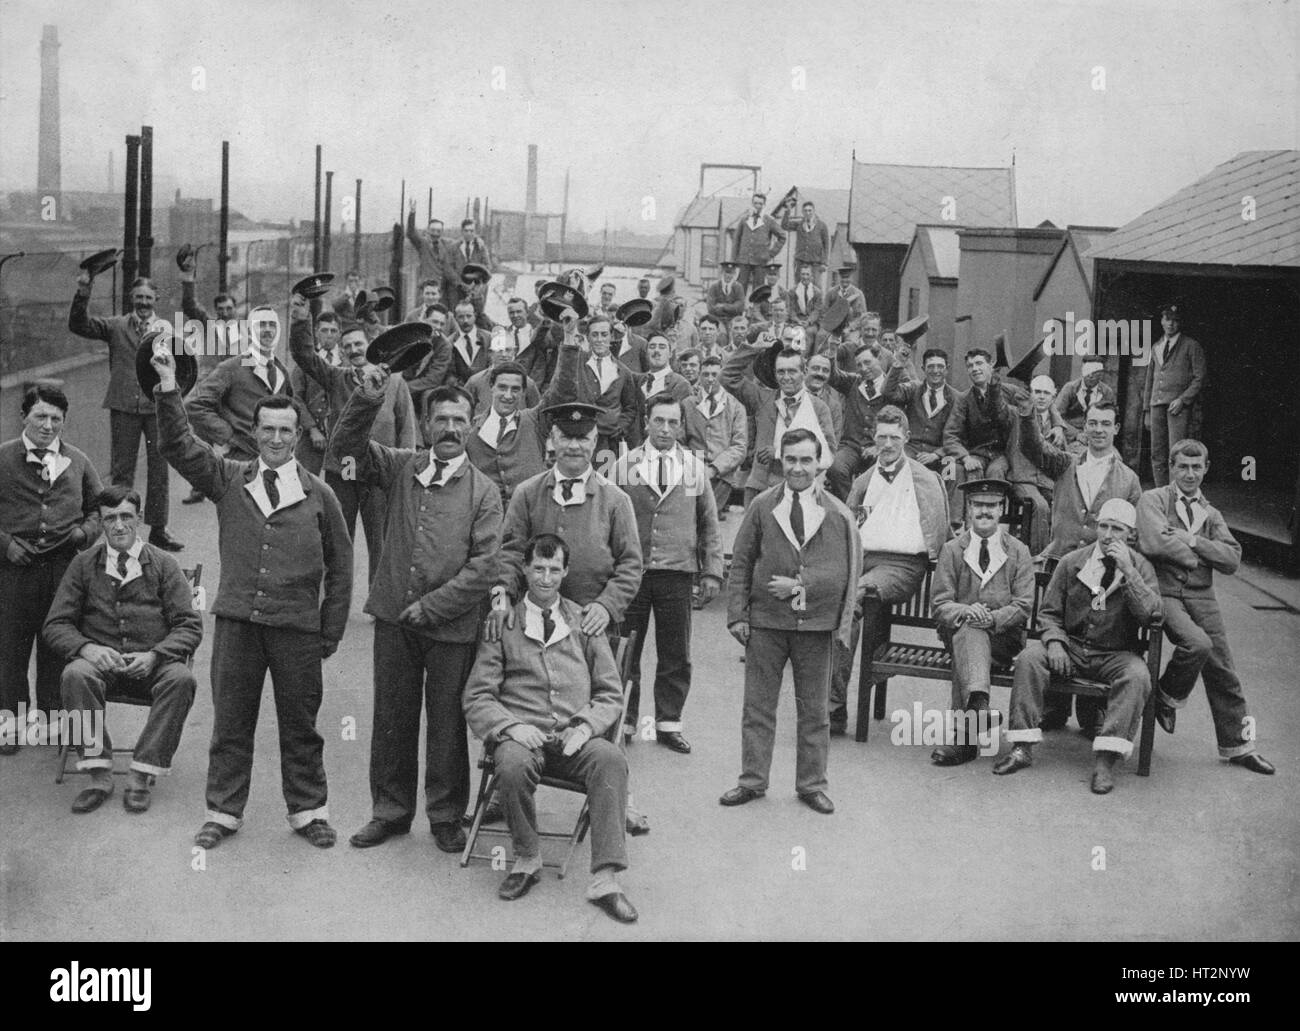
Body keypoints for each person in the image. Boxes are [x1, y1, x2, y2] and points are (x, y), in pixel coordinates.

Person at [151, 347, 352, 850]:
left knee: (301, 726)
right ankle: (223, 811)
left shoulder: (319, 494)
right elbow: (178, 445)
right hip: (238, 624)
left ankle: (309, 811)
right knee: (231, 724)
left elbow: (343, 567)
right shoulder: (228, 478)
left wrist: (329, 631)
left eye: (287, 430)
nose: (278, 439)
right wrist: (169, 390)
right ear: (255, 431)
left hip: (297, 630)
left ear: (297, 434)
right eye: (269, 429)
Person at [331, 376, 503, 852]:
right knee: (392, 717)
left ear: (471, 428)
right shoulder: (399, 466)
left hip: (451, 627)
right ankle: (390, 811)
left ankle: (446, 815)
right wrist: (367, 395)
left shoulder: (485, 492)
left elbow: (484, 565)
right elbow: (345, 446)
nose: (450, 429)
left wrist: (432, 606)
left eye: (459, 421)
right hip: (393, 620)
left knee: (447, 722)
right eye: (441, 419)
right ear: (426, 425)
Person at [463, 533, 638, 922]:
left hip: (573, 740)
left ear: (566, 572)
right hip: (523, 738)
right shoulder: (502, 625)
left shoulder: (584, 622)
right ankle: (526, 857)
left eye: (554, 569)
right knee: (509, 764)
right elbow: (477, 697)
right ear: (524, 570)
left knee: (610, 759)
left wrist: (586, 727)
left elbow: (611, 694)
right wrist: (510, 727)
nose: (545, 578)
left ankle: (605, 879)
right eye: (538, 569)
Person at [722, 428, 860, 814]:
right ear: (782, 461)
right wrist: (738, 615)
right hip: (766, 623)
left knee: (815, 711)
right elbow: (742, 561)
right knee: (758, 707)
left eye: (806, 460)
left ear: (820, 464)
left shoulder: (837, 513)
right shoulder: (763, 506)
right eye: (792, 459)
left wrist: (798, 587)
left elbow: (839, 575)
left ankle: (812, 784)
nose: (798, 468)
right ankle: (752, 780)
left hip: (815, 627)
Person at [42, 485, 201, 812]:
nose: (118, 526)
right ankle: (99, 773)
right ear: (100, 523)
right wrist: (87, 649)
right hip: (101, 665)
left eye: (126, 517)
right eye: (110, 518)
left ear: (139, 519)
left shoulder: (164, 564)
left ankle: (141, 773)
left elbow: (189, 624)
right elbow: (56, 625)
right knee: (75, 673)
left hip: (152, 664)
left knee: (182, 679)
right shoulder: (84, 565)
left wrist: (156, 654)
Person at [995, 499, 1162, 794]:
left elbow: (1152, 615)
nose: (1109, 535)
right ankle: (1022, 746)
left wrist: (1129, 572)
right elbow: (1048, 613)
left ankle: (1105, 761)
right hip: (1071, 646)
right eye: (1104, 526)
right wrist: (1056, 643)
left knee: (1137, 675)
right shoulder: (1072, 562)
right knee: (1030, 658)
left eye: (1118, 529)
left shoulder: (1141, 567)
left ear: (1131, 535)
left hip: (1115, 654)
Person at [1136, 440, 1275, 775]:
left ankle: (1241, 745)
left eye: (1196, 467)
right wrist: (1198, 555)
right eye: (1183, 466)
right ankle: (1167, 696)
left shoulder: (1211, 514)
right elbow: (1153, 540)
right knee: (1197, 643)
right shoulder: (1153, 500)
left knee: (1224, 668)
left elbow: (1233, 558)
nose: (1189, 474)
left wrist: (1192, 540)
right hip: (1165, 592)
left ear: (1206, 469)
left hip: (1202, 596)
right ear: (1171, 467)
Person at [610, 394, 723, 752]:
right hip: (632, 572)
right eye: (659, 421)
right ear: (646, 421)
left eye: (673, 422)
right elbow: (608, 520)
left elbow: (708, 522)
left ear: (681, 425)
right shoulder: (624, 466)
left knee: (675, 650)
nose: (665, 429)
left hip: (677, 571)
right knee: (626, 647)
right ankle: (625, 721)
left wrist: (712, 572)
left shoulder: (693, 467)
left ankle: (668, 722)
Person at [835, 406, 951, 735]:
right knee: (830, 598)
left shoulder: (925, 479)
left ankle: (832, 705)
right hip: (864, 561)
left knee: (853, 599)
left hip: (902, 565)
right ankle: (832, 702)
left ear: (906, 438)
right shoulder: (863, 480)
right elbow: (847, 527)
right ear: (873, 438)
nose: (887, 444)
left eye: (894, 438)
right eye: (882, 437)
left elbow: (939, 533)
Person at [0, 385, 102, 755]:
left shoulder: (77, 460)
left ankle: (50, 722)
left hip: (63, 571)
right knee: (9, 650)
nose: (47, 426)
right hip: (13, 571)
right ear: (24, 416)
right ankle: (9, 726)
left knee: (56, 647)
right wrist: (6, 545)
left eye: (55, 419)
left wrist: (83, 533)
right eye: (40, 416)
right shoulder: (3, 458)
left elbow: (99, 508)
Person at [289, 304, 418, 582]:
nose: (354, 350)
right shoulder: (337, 377)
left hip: (379, 469)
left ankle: (378, 596)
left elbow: (406, 425)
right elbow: (304, 355)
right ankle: (337, 593)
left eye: (359, 343)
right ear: (342, 351)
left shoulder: (394, 381)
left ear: (369, 345)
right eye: (347, 346)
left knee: (380, 536)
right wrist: (301, 320)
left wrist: (407, 467)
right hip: (343, 469)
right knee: (340, 535)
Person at [68, 271, 181, 551]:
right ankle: (118, 528)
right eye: (139, 297)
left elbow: (182, 368)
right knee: (122, 472)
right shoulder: (116, 326)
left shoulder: (166, 330)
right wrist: (84, 290)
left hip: (156, 407)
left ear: (156, 299)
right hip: (123, 406)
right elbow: (79, 324)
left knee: (159, 470)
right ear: (132, 298)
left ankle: (158, 529)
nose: (143, 302)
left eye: (148, 298)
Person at [929, 479, 1034, 765]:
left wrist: (992, 618)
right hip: (960, 634)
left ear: (1001, 510)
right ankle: (978, 708)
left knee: (970, 634)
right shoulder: (952, 549)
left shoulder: (1018, 551)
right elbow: (940, 604)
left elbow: (1024, 604)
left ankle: (965, 737)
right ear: (968, 509)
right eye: (978, 505)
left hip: (1004, 639)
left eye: (991, 506)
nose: (984, 512)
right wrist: (965, 611)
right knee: (968, 631)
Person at [724, 343, 836, 505]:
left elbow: (828, 454)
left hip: (800, 491)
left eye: (792, 371)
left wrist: (780, 453)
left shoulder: (819, 407)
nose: (786, 377)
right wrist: (755, 347)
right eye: (780, 372)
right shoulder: (762, 398)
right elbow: (727, 377)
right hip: (759, 487)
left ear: (804, 373)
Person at [187, 305, 295, 462]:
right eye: (260, 325)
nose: (267, 330)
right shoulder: (232, 367)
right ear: (249, 331)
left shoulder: (281, 372)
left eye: (272, 325)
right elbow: (193, 405)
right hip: (242, 460)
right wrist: (228, 435)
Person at [1002, 374, 1067, 555]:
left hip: (1046, 480)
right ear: (1029, 393)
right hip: (1023, 479)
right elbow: (1001, 391)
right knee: (1040, 506)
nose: (1041, 396)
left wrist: (1059, 424)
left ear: (1054, 397)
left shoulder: (1056, 424)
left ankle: (1058, 554)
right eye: (1037, 392)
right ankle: (1038, 558)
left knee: (1064, 503)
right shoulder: (1018, 414)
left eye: (1046, 393)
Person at [1143, 304, 1205, 487]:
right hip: (1157, 406)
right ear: (1162, 321)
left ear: (1180, 323)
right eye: (1167, 319)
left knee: (1176, 452)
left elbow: (1200, 378)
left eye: (1175, 320)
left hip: (1178, 408)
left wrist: (1183, 399)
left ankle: (1176, 491)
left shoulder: (1191, 346)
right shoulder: (1156, 346)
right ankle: (1161, 492)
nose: (1171, 324)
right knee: (1157, 452)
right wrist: (1147, 409)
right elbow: (1150, 379)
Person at [563, 314, 642, 456]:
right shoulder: (577, 363)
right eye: (595, 335)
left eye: (604, 334)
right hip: (579, 436)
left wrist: (620, 427)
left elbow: (630, 408)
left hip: (608, 443)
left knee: (605, 477)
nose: (599, 340)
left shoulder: (623, 372)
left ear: (611, 337)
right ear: (588, 337)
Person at [685, 354, 748, 520]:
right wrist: (694, 466)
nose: (710, 379)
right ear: (699, 376)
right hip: (692, 472)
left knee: (710, 519)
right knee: (691, 519)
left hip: (722, 475)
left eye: (715, 375)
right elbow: (679, 441)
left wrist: (714, 469)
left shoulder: (736, 407)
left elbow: (739, 447)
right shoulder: (688, 404)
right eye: (705, 374)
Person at [824, 343, 890, 499]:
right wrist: (832, 351)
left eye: (867, 362)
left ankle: (871, 514)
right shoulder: (853, 382)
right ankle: (849, 510)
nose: (863, 368)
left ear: (879, 359)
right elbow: (834, 376)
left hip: (880, 447)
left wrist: (878, 446)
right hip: (851, 447)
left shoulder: (893, 388)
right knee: (835, 468)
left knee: (883, 474)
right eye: (859, 364)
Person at [942, 347, 1013, 484]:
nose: (974, 369)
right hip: (977, 453)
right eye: (970, 366)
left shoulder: (1009, 391)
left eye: (979, 363)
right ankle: (972, 505)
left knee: (996, 472)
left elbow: (1033, 400)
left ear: (990, 366)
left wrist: (1057, 423)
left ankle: (996, 505)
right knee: (972, 470)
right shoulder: (963, 399)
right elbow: (950, 434)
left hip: (1002, 455)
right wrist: (966, 457)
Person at [292, 310, 341, 476]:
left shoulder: (349, 362)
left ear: (339, 334)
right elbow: (296, 398)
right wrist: (312, 429)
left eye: (333, 331)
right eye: (324, 330)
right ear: (315, 333)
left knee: (343, 487)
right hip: (311, 436)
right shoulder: (305, 362)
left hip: (341, 436)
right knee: (304, 484)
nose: (329, 335)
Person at [464, 330, 542, 415]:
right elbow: (463, 410)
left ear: (515, 351)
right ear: (490, 352)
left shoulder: (527, 383)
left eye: (508, 350)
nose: (504, 355)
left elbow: (536, 413)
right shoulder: (476, 381)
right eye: (499, 350)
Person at [1054, 360, 1115, 451]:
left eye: (1094, 372)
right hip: (1070, 437)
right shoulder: (1070, 388)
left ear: (1101, 374)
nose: (1090, 375)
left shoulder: (1107, 392)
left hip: (1095, 437)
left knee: (1115, 458)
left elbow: (1109, 420)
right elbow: (1056, 416)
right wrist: (1076, 434)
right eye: (1087, 370)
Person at [730, 193, 787, 290]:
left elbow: (782, 236)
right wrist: (734, 258)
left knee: (758, 289)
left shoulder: (768, 220)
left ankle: (756, 306)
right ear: (752, 204)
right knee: (740, 287)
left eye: (760, 204)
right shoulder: (744, 219)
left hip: (760, 261)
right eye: (755, 203)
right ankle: (740, 305)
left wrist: (770, 254)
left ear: (764, 205)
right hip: (744, 260)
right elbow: (737, 239)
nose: (758, 206)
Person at [405, 201, 452, 299]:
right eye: (433, 230)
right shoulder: (423, 244)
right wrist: (412, 213)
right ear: (428, 230)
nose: (435, 233)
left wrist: (477, 239)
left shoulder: (446, 244)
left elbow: (463, 241)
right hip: (425, 290)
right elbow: (411, 233)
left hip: (440, 291)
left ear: (442, 232)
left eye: (438, 231)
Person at [782, 198, 830, 289]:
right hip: (800, 261)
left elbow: (826, 245)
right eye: (805, 211)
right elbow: (784, 225)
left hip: (815, 263)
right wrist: (788, 210)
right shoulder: (799, 224)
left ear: (814, 211)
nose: (807, 213)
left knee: (816, 288)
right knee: (799, 287)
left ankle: (816, 304)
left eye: (810, 210)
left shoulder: (822, 226)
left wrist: (824, 263)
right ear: (802, 212)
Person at [446, 217, 491, 307]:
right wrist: (461, 284)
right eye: (466, 231)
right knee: (457, 313)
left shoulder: (481, 247)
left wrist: (475, 281)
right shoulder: (453, 247)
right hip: (457, 289)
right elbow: (448, 268)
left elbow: (487, 266)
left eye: (471, 231)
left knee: (475, 315)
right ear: (462, 231)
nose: (469, 233)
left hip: (476, 289)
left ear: (475, 232)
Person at [447, 300, 492, 386]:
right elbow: (450, 373)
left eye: (469, 316)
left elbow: (493, 365)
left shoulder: (488, 338)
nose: (465, 321)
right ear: (455, 318)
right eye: (461, 317)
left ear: (474, 316)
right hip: (461, 389)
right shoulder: (450, 342)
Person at [640, 333, 693, 402]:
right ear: (646, 353)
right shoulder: (639, 381)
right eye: (652, 347)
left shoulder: (680, 384)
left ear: (670, 354)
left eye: (662, 347)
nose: (656, 350)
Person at [705, 263, 747, 346]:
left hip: (733, 318)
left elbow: (740, 307)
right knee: (722, 336)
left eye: (731, 273)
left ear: (734, 274)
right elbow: (711, 308)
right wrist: (732, 308)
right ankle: (722, 356)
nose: (729, 275)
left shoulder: (738, 287)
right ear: (722, 273)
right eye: (727, 272)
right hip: (718, 319)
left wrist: (723, 306)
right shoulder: (714, 287)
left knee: (735, 335)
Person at [788, 264, 823, 329]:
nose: (805, 277)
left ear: (811, 275)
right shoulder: (793, 291)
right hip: (796, 320)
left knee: (810, 332)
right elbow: (791, 309)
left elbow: (817, 310)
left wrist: (808, 321)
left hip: (811, 322)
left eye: (807, 274)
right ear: (800, 275)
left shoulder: (817, 292)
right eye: (803, 274)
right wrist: (797, 320)